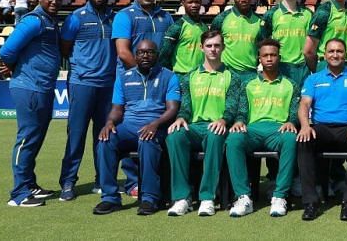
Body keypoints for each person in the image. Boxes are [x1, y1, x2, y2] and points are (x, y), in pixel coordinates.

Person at [92, 40, 180, 215]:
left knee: (147, 141)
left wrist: (155, 124)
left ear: (157, 54)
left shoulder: (169, 76)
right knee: (105, 140)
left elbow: (172, 109)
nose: (145, 55)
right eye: (141, 52)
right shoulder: (124, 77)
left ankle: (149, 198)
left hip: (156, 126)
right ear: (135, 55)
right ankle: (110, 198)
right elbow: (117, 110)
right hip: (128, 126)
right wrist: (109, 123)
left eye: (150, 52)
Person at [166, 30, 243, 217]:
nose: (213, 49)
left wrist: (224, 120)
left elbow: (232, 106)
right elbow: (185, 106)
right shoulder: (189, 77)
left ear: (223, 47)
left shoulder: (232, 76)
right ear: (202, 48)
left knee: (215, 136)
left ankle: (207, 197)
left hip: (217, 126)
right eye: (209, 46)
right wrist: (181, 117)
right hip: (194, 127)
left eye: (217, 45)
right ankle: (182, 198)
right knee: (174, 136)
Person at [0, 0, 62, 207]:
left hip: (42, 87)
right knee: (27, 139)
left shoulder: (49, 21)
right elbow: (6, 50)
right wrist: (13, 65)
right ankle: (18, 194)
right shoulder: (34, 21)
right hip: (30, 87)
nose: (54, 1)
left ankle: (29, 184)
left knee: (35, 138)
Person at [225, 39, 300, 218]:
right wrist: (239, 121)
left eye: (273, 55)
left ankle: (280, 196)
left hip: (278, 130)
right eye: (265, 55)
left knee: (291, 138)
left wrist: (292, 121)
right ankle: (243, 197)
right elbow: (242, 111)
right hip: (253, 130)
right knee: (234, 139)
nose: (269, 59)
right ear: (259, 58)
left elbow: (294, 112)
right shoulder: (248, 84)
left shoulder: (291, 84)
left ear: (279, 58)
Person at [112, 0, 173, 196]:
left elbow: (170, 50)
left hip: (160, 81)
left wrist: (162, 76)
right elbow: (123, 51)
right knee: (132, 125)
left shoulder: (166, 17)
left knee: (155, 130)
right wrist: (143, 73)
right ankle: (132, 182)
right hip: (133, 80)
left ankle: (158, 180)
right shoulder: (124, 15)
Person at [58, 0, 117, 201]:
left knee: (104, 136)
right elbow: (65, 48)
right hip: (82, 83)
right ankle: (68, 182)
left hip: (108, 85)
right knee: (76, 135)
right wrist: (82, 67)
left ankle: (101, 180)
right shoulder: (76, 18)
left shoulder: (114, 17)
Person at [296, 38, 347, 221]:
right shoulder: (313, 78)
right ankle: (311, 202)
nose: (335, 55)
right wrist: (305, 126)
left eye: (339, 51)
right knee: (304, 140)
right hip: (322, 128)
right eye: (331, 51)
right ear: (324, 55)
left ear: (346, 55)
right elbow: (304, 104)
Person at [261, 0, 313, 87]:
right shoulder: (271, 14)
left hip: (302, 69)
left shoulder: (308, 14)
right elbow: (264, 41)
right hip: (280, 67)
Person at [211, 0, 263, 79]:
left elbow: (263, 50)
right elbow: (211, 46)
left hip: (250, 75)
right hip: (226, 74)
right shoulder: (221, 19)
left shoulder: (260, 22)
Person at [159, 0, 208, 78]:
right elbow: (164, 55)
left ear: (201, 2)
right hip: (181, 76)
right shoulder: (177, 27)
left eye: (197, 2)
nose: (194, 5)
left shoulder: (204, 27)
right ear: (183, 3)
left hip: (201, 76)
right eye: (190, 2)